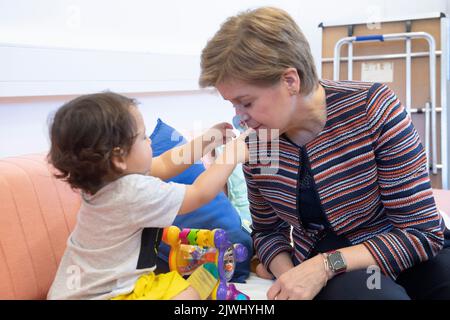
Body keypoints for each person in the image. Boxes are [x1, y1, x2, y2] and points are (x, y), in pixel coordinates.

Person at [199, 6, 450, 300]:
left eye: (247, 103)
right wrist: (292, 276)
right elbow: (267, 234)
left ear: (290, 81)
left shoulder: (371, 109)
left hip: (403, 245)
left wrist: (323, 266)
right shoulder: (256, 146)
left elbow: (421, 232)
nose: (241, 118)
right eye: (233, 106)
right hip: (340, 267)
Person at [46, 92, 250, 300]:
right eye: (143, 137)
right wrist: (230, 156)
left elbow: (164, 163)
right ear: (118, 158)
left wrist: (206, 142)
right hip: (110, 295)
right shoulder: (133, 192)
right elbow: (199, 193)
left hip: (80, 291)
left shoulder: (105, 183)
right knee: (188, 294)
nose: (150, 142)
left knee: (178, 286)